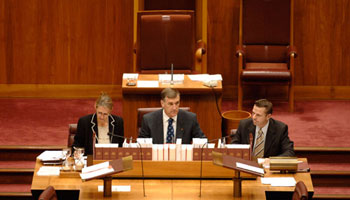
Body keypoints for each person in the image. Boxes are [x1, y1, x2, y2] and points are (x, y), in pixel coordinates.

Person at [138, 88, 206, 144]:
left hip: (181, 158)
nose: (174, 108)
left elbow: (202, 141)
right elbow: (141, 145)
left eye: (177, 103)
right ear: (162, 103)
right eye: (170, 104)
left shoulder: (190, 119)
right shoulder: (149, 120)